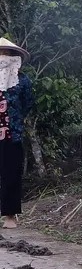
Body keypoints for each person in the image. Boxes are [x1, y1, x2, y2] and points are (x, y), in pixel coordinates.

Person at [0, 38, 34, 229]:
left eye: (6, 53)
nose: (3, 57)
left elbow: (28, 104)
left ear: (14, 57)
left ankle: (10, 216)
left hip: (12, 134)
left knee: (11, 174)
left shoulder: (22, 80)